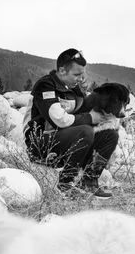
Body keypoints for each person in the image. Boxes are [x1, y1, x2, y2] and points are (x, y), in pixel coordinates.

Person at [23, 48, 120, 199]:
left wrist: (107, 112)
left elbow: (81, 114)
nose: (80, 78)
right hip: (39, 144)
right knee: (85, 131)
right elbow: (59, 119)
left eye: (82, 74)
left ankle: (88, 181)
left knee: (110, 135)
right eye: (76, 74)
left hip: (64, 141)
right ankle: (65, 185)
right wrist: (89, 118)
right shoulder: (45, 86)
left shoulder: (74, 90)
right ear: (62, 70)